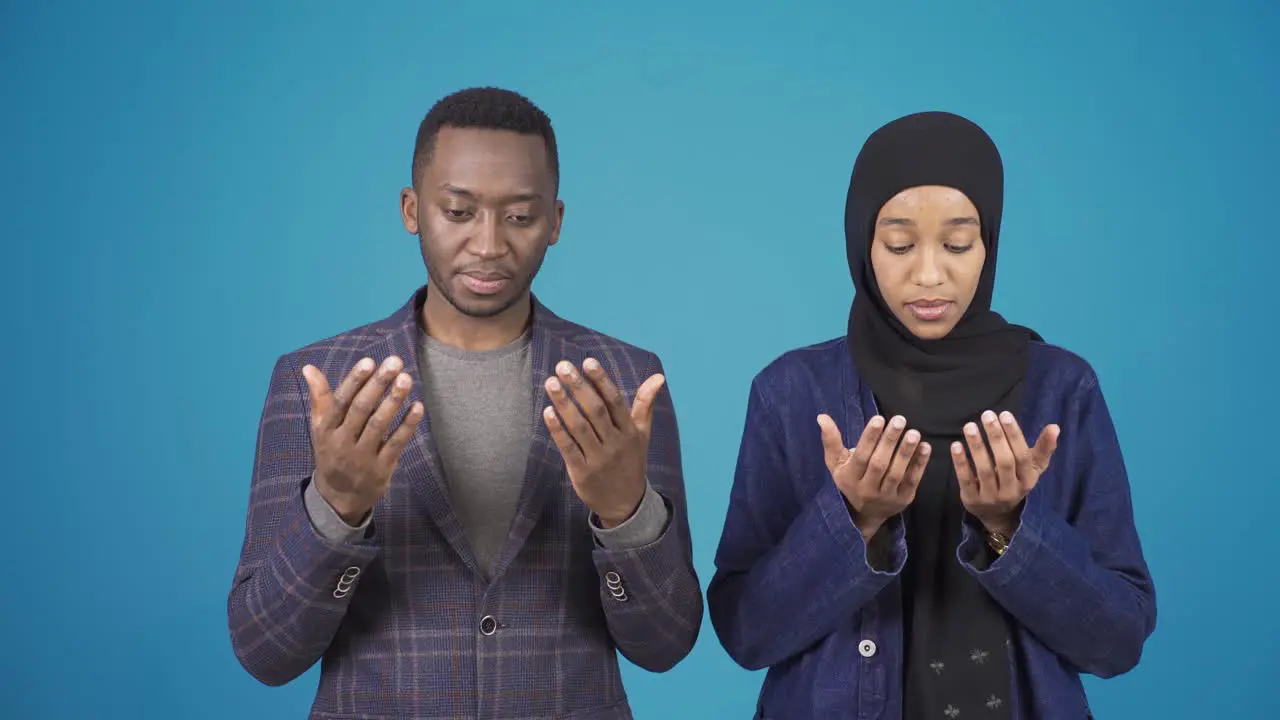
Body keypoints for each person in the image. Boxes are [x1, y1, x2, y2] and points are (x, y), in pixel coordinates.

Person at [227, 87, 702, 720]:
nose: (488, 244)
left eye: (519, 216)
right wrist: (336, 507)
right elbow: (265, 651)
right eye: (458, 211)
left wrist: (625, 514)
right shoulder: (317, 383)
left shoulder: (625, 382)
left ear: (556, 221)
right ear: (411, 209)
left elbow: (666, 644)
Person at [706, 111, 1156, 719]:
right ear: (861, 243)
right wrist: (853, 521)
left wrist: (1010, 527)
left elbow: (1118, 641)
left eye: (957, 243)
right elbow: (745, 633)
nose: (928, 273)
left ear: (989, 243)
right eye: (898, 243)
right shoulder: (790, 393)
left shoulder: (1062, 389)